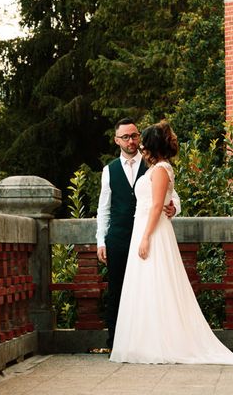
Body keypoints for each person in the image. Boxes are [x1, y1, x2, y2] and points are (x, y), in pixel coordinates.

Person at [110, 121, 233, 366]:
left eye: (142, 142)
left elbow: (157, 205)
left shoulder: (160, 170)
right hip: (144, 229)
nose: (140, 146)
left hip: (152, 232)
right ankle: (145, 341)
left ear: (150, 146)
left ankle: (158, 343)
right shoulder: (156, 169)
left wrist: (145, 236)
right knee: (146, 286)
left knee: (157, 283)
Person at [96, 118, 180, 350]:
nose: (132, 141)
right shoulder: (109, 170)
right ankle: (116, 343)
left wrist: (174, 208)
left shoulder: (154, 162)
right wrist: (101, 240)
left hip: (149, 236)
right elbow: (103, 208)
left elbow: (171, 197)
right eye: (126, 137)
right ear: (117, 140)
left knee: (147, 289)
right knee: (118, 290)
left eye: (135, 136)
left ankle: (148, 342)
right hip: (120, 237)